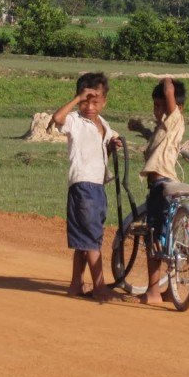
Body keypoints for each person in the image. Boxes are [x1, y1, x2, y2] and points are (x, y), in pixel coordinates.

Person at [49, 72, 121, 301]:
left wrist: (112, 146)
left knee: (86, 237)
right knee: (90, 236)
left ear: (104, 102)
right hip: (83, 184)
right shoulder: (75, 121)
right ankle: (99, 287)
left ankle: (75, 285)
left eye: (95, 101)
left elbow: (100, 154)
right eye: (85, 101)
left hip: (98, 186)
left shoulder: (105, 126)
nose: (89, 106)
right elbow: (57, 118)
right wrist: (76, 99)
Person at [129, 76, 187, 305]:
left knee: (153, 236)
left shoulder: (175, 119)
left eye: (160, 105)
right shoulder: (165, 127)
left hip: (161, 185)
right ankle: (170, 290)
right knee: (167, 237)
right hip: (165, 185)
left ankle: (152, 293)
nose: (156, 110)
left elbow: (170, 98)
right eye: (154, 105)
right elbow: (156, 141)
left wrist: (167, 83)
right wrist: (141, 129)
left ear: (176, 107)